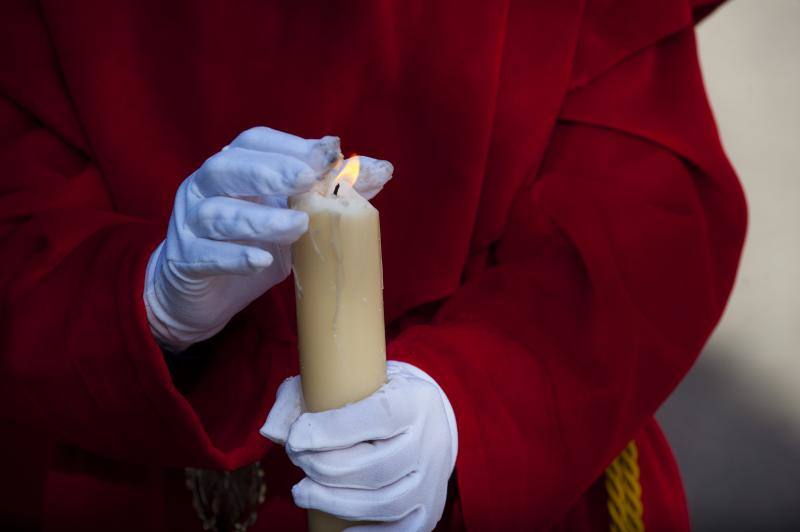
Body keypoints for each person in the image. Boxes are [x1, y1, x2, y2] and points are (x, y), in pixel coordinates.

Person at [0, 0, 746, 530]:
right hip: (121, 479)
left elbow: (644, 209)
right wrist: (144, 300)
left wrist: (471, 401)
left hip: (498, 485)